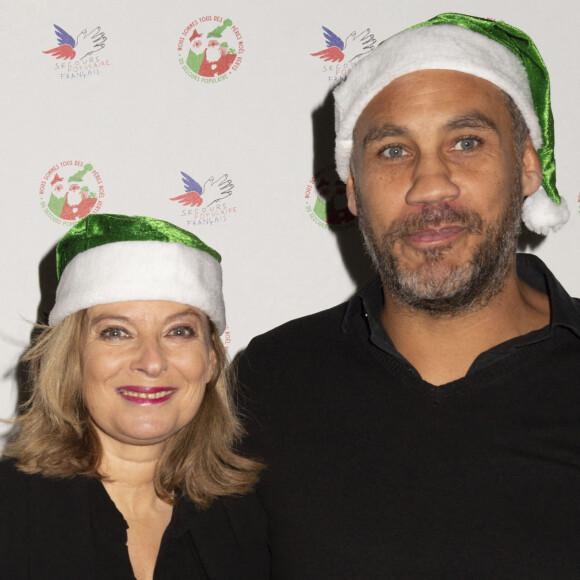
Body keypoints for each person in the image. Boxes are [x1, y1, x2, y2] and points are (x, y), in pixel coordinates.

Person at [236, 13, 580, 579]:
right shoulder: (271, 381)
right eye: (393, 151)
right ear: (353, 188)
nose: (430, 185)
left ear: (526, 168)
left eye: (466, 142)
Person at [1, 214, 268, 579]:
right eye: (115, 333)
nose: (152, 362)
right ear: (72, 360)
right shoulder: (10, 508)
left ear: (210, 361)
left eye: (179, 331)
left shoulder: (254, 521)